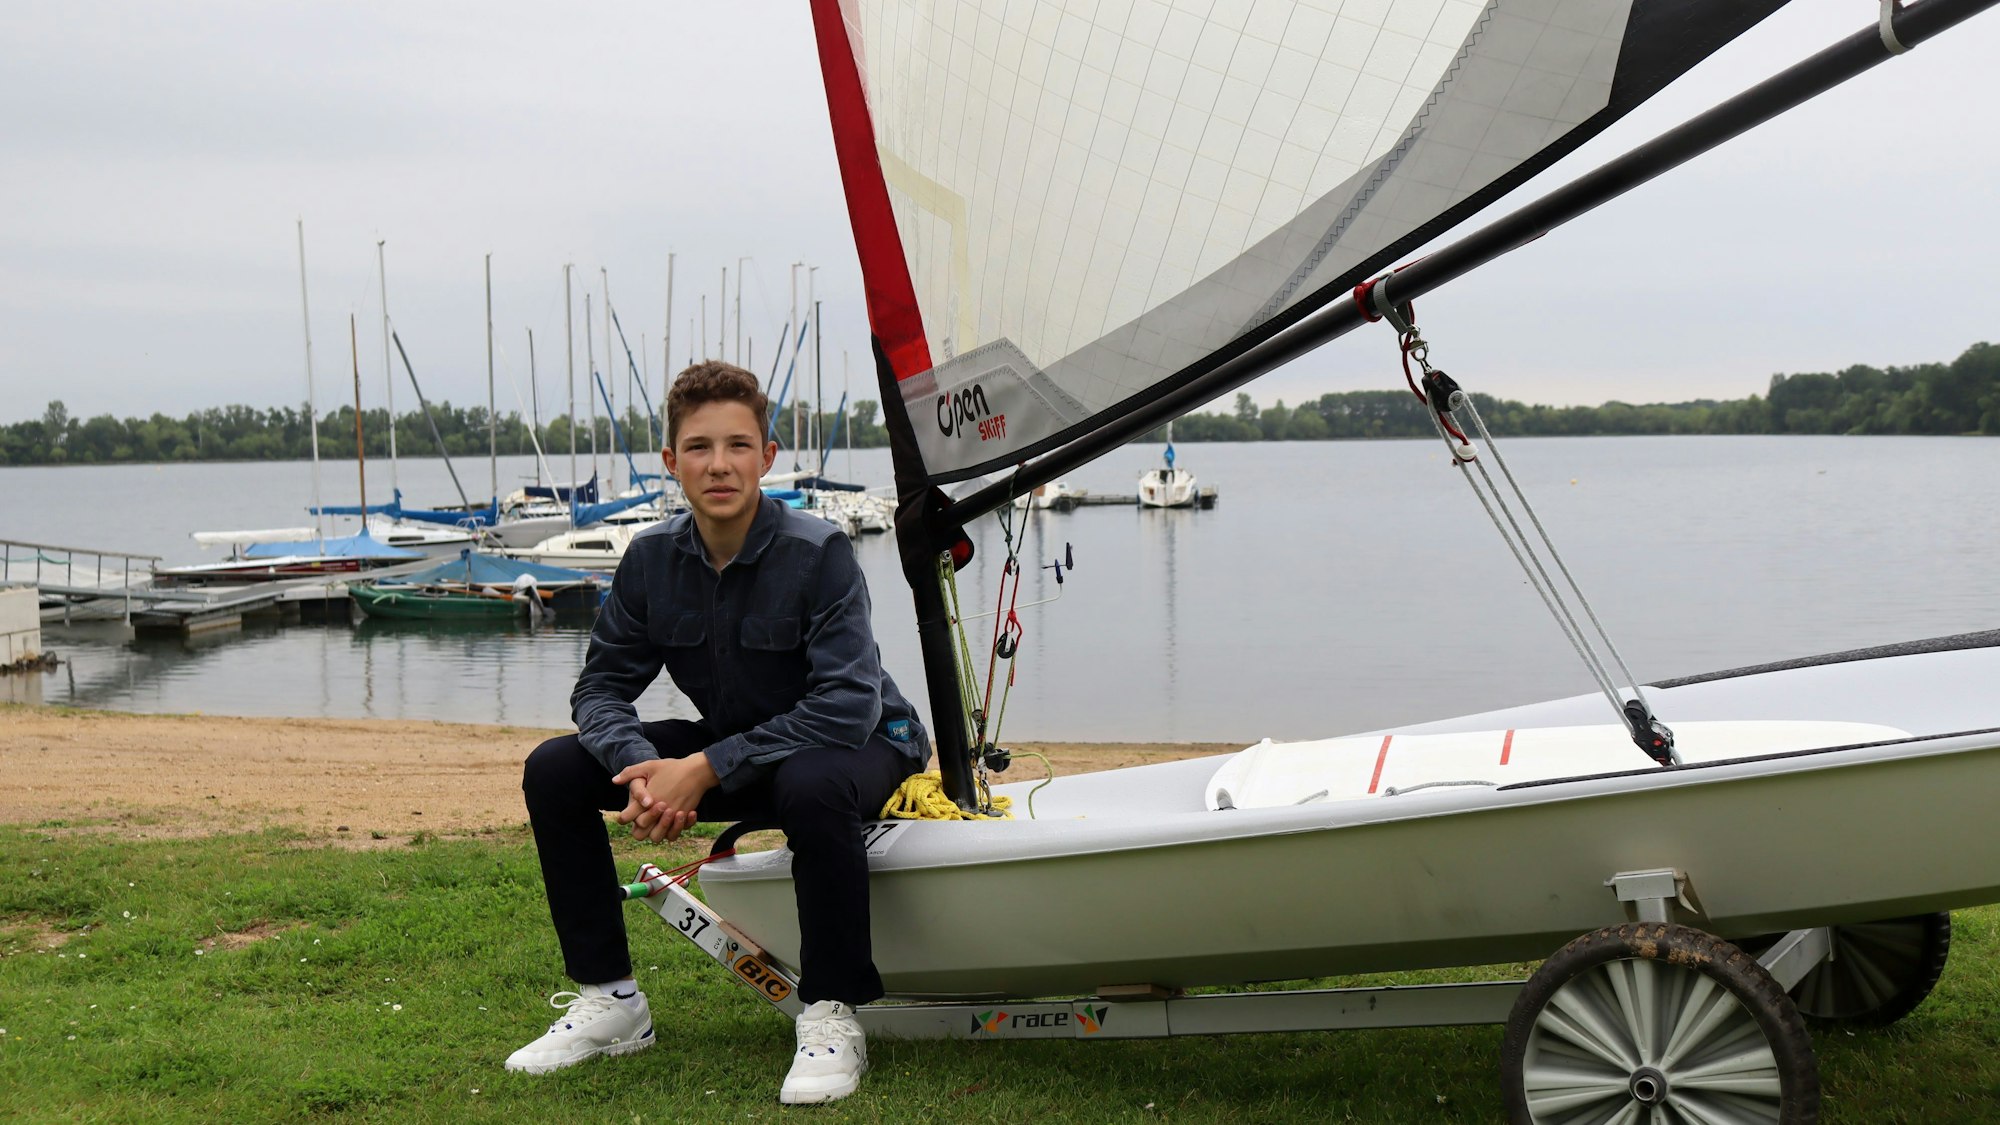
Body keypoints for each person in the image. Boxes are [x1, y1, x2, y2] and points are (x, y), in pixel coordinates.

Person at [508, 360, 929, 1104]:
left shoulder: (820, 552)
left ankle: (831, 1010)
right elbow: (601, 686)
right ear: (672, 463)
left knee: (814, 779)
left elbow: (846, 705)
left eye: (739, 445)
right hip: (741, 742)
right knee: (554, 769)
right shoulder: (649, 560)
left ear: (768, 456)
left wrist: (701, 766)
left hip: (864, 742)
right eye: (699, 447)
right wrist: (643, 767)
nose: (720, 463)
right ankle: (613, 1000)